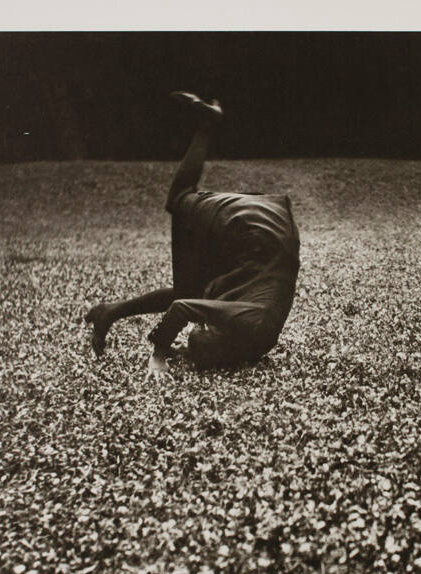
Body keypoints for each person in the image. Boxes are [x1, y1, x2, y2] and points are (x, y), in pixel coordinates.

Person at [85, 92, 301, 377]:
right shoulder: (249, 326)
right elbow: (183, 308)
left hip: (275, 237)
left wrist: (188, 351)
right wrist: (159, 354)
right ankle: (206, 124)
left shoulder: (253, 343)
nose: (202, 326)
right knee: (179, 198)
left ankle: (110, 311)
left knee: (193, 288)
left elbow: (195, 308)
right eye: (206, 331)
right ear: (224, 341)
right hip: (254, 231)